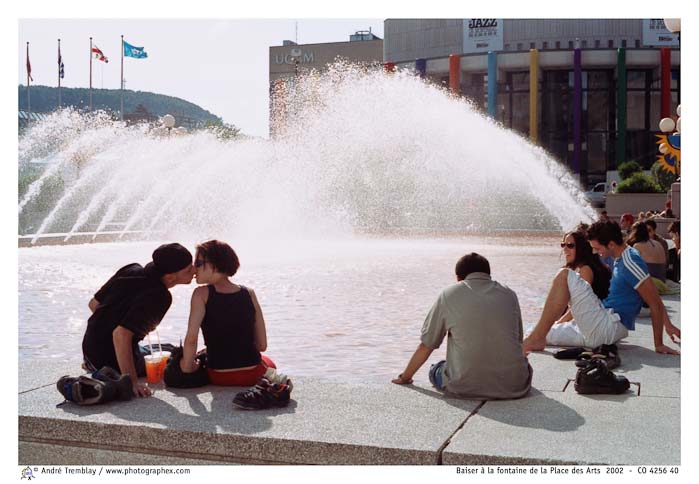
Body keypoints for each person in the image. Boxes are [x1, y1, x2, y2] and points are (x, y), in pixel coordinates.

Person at [523, 221, 680, 354]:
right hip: (601, 325)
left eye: (597, 248)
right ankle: (535, 339)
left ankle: (535, 341)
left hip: (607, 326)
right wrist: (669, 325)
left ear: (611, 244)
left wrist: (658, 344)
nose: (594, 252)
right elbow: (655, 298)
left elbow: (654, 301)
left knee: (564, 275)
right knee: (534, 331)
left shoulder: (630, 261)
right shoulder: (621, 258)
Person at [392, 253, 532, 399]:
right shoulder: (509, 294)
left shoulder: (449, 294)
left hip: (464, 387)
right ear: (488, 274)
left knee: (436, 369)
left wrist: (405, 377)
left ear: (458, 278)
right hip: (515, 385)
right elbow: (518, 340)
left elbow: (427, 345)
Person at [82, 243, 194, 397]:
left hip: (89, 352)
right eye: (189, 269)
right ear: (170, 277)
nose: (194, 271)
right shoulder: (160, 297)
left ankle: (95, 365)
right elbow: (121, 335)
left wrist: (108, 328)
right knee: (175, 355)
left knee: (165, 347)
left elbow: (94, 304)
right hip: (110, 361)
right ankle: (108, 370)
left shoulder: (131, 269)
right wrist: (132, 382)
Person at [180, 240, 273, 386]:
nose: (194, 269)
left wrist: (187, 367)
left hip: (219, 375)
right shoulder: (249, 293)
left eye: (198, 263)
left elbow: (191, 338)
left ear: (215, 265)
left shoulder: (201, 294)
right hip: (254, 373)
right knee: (269, 363)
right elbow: (262, 345)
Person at [551, 231, 611, 333]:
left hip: (587, 327)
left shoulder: (585, 270)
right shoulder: (579, 268)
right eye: (563, 244)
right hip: (582, 323)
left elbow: (578, 306)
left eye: (570, 245)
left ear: (581, 249)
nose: (564, 249)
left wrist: (558, 324)